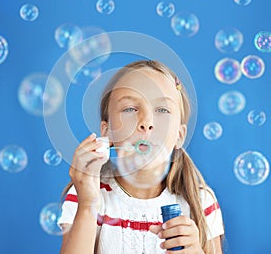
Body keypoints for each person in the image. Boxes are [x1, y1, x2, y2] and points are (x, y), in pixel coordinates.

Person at [58, 60, 224, 253]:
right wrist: (87, 204)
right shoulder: (88, 195)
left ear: (180, 135)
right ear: (107, 132)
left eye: (162, 110)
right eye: (130, 109)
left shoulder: (200, 201)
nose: (146, 122)